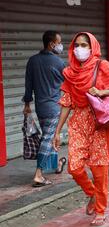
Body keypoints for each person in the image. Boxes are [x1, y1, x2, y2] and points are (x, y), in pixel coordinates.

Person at [52, 32, 109, 226]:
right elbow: (66, 103)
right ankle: (92, 194)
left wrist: (102, 91)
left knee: (99, 170)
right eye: (77, 45)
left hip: (99, 121)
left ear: (92, 47)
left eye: (84, 45)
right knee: (75, 167)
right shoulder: (70, 73)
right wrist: (57, 131)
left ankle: (101, 210)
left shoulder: (102, 66)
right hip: (78, 122)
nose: (80, 49)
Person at [23, 30, 67, 187]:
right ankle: (39, 174)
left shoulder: (32, 61)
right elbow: (70, 82)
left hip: (40, 107)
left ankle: (55, 165)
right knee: (48, 139)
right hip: (54, 108)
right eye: (59, 42)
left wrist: (27, 104)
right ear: (52, 44)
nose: (61, 45)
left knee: (50, 137)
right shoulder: (59, 63)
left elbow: (29, 85)